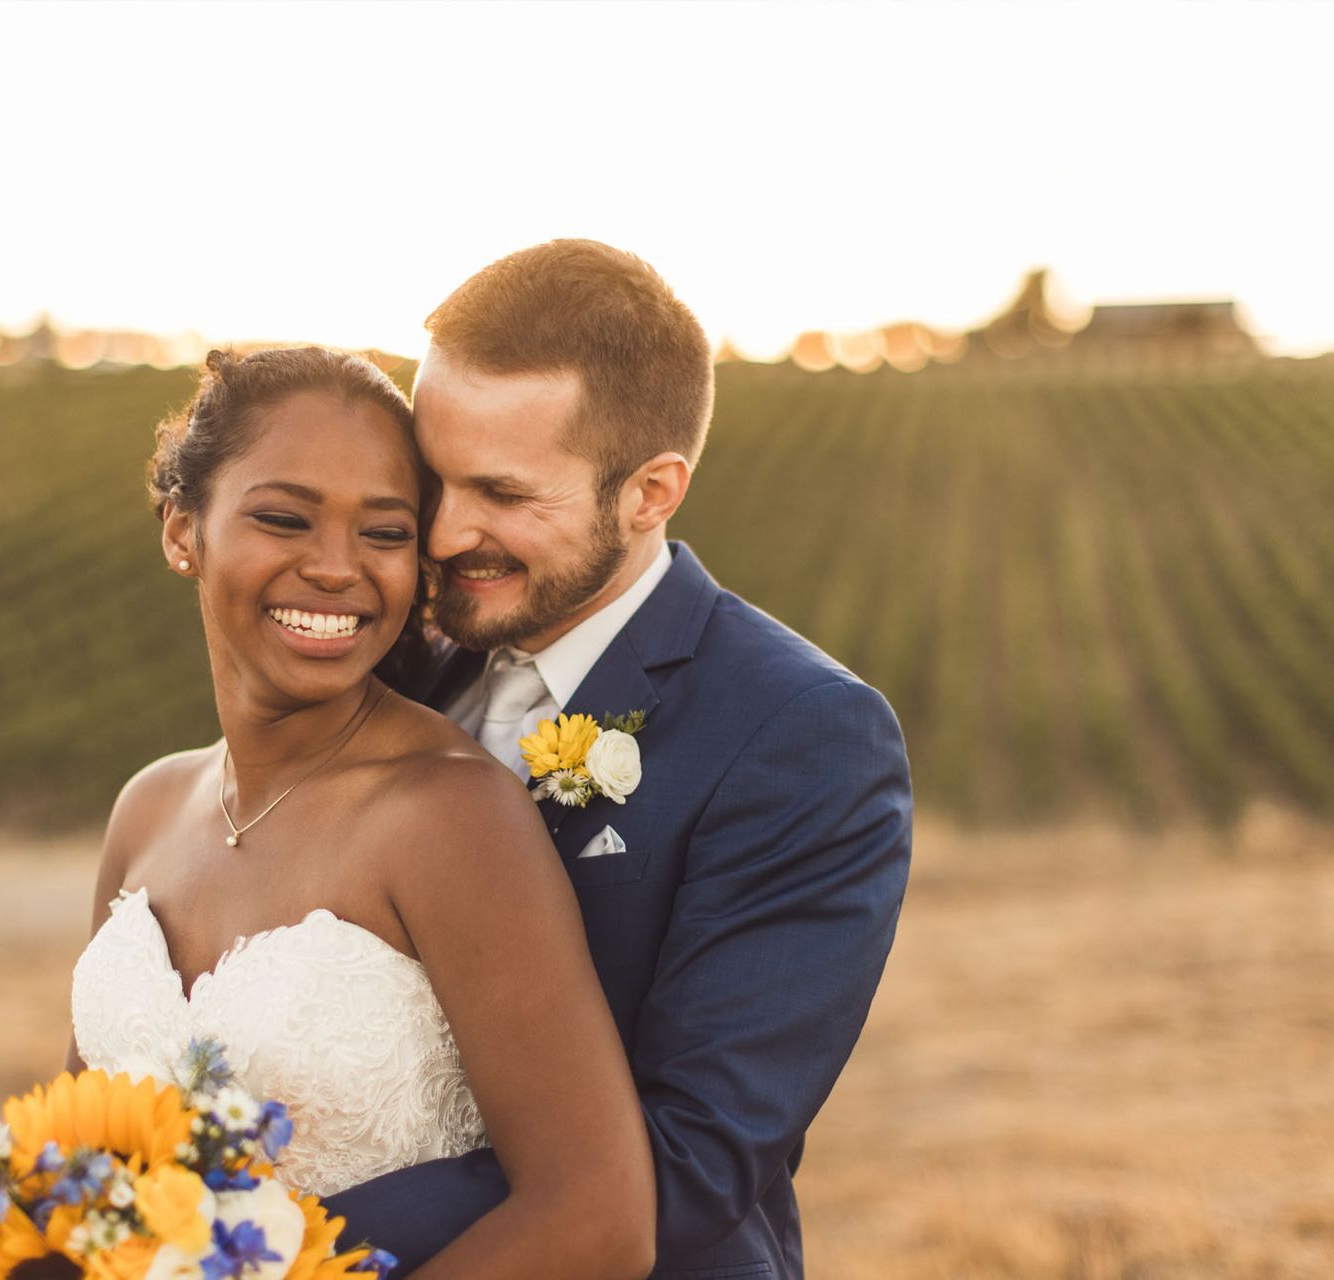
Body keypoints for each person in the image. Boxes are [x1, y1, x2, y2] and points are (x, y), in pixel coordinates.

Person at [323, 241, 913, 1279]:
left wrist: (292, 1234)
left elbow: (687, 1161)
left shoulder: (803, 733)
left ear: (650, 492)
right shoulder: (398, 659)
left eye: (502, 492)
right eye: (433, 476)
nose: (447, 529)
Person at [67, 346, 657, 1280]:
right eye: (284, 518)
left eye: (384, 533)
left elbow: (597, 1219)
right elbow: (78, 1168)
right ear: (184, 530)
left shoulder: (450, 817)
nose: (337, 568)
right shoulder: (146, 810)